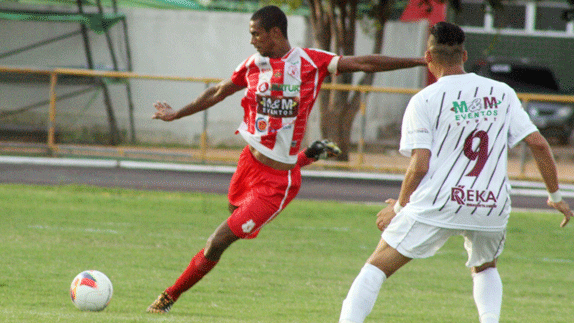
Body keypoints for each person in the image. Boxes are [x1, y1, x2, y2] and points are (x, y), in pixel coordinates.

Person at [147, 5, 426, 313]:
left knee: (219, 239)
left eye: (255, 34)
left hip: (276, 184)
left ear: (274, 33)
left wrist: (418, 60)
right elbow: (217, 91)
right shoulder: (254, 64)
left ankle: (168, 297)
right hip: (248, 165)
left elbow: (363, 62)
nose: (252, 40)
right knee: (231, 216)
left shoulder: (309, 62)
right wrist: (176, 114)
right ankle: (310, 154)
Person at [338, 21, 573, 323]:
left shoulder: (424, 100)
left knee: (376, 268)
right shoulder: (501, 92)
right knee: (486, 267)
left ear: (428, 57)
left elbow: (419, 164)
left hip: (441, 199)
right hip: (490, 202)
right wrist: (555, 196)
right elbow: (539, 144)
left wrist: (398, 207)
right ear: (463, 56)